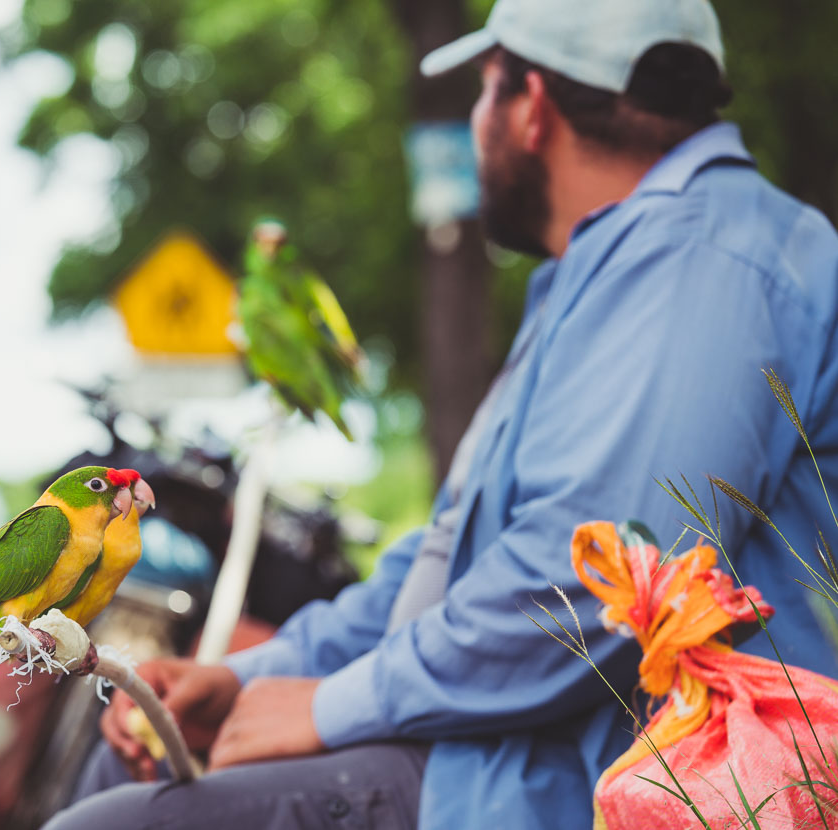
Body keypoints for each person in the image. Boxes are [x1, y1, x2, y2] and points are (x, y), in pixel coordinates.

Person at [45, 0, 838, 827]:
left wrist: (325, 706)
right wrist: (250, 679)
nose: (475, 119)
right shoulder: (612, 267)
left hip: (573, 783)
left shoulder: (702, 262)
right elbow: (438, 574)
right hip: (488, 747)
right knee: (119, 759)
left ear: (530, 106)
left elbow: (587, 587)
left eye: (484, 88)